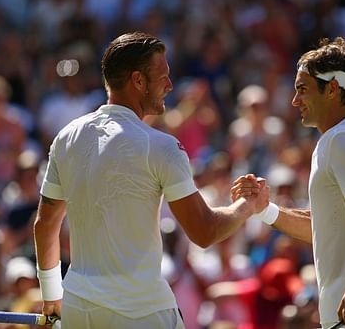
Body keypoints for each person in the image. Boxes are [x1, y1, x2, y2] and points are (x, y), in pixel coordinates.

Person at [33, 31, 267, 329]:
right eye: (163, 76)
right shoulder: (162, 147)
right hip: (142, 313)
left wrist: (52, 296)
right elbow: (205, 232)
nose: (170, 85)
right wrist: (248, 204)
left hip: (79, 308)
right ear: (138, 81)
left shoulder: (66, 137)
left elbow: (45, 224)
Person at [232, 37, 345, 329]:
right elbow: (325, 228)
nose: (294, 100)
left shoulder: (342, 139)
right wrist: (266, 210)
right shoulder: (342, 138)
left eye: (302, 89)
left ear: (331, 90)